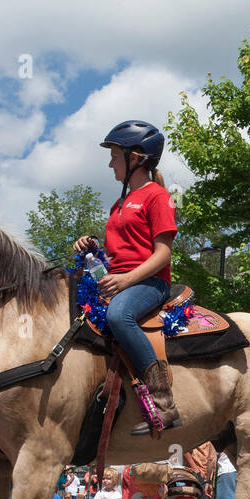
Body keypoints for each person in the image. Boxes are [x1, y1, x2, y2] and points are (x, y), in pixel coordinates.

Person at [73, 119, 180, 435]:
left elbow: (163, 253)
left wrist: (126, 280)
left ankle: (164, 402)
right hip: (120, 282)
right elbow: (115, 259)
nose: (110, 163)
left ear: (136, 158)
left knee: (119, 316)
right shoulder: (116, 205)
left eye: (115, 156)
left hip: (149, 284)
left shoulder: (157, 196)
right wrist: (90, 248)